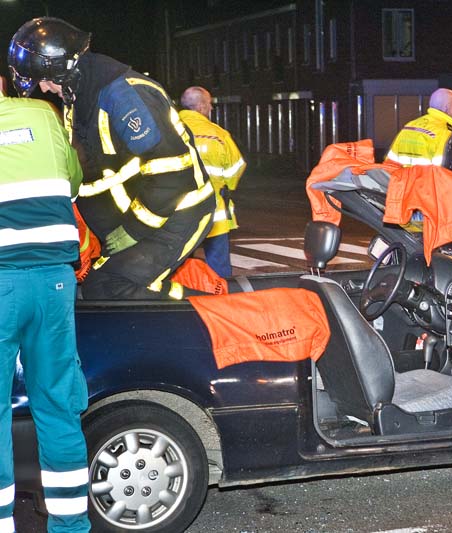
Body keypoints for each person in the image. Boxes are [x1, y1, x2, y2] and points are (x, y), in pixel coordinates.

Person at [8, 17, 216, 299]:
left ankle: (215, 316)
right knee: (101, 287)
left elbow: (173, 174)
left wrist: (132, 228)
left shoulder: (125, 98)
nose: (43, 89)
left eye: (43, 80)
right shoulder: (80, 99)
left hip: (177, 213)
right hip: (134, 221)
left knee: (109, 287)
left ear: (62, 69)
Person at [0, 89, 90, 532]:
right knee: (57, 404)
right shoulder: (43, 115)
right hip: (54, 280)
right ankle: (71, 526)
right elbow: (72, 181)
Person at [179, 86, 247, 278]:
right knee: (218, 265)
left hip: (176, 213)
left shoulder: (168, 131)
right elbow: (236, 168)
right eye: (210, 104)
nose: (212, 109)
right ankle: (219, 301)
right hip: (213, 212)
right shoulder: (218, 135)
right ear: (201, 107)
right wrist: (227, 186)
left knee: (178, 264)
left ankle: (180, 300)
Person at [385, 87, 452, 180]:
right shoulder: (451, 135)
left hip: (404, 191)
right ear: (447, 108)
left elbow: (390, 166)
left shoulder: (409, 127)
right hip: (430, 193)